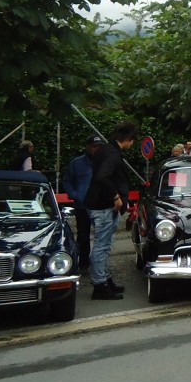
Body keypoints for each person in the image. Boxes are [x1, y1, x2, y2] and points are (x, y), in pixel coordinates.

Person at [84, 121, 139, 300]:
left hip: (98, 203)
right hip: (104, 205)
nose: (132, 144)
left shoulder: (104, 149)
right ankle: (100, 285)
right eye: (133, 141)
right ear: (128, 139)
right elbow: (102, 177)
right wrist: (116, 196)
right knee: (102, 246)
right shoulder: (113, 153)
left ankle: (105, 279)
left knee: (104, 245)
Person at [63, 136, 103, 271]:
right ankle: (83, 263)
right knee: (83, 236)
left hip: (100, 205)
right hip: (82, 205)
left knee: (101, 237)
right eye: (94, 146)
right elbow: (67, 180)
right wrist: (74, 195)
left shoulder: (104, 162)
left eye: (99, 146)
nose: (96, 149)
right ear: (87, 147)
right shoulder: (76, 163)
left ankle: (99, 265)